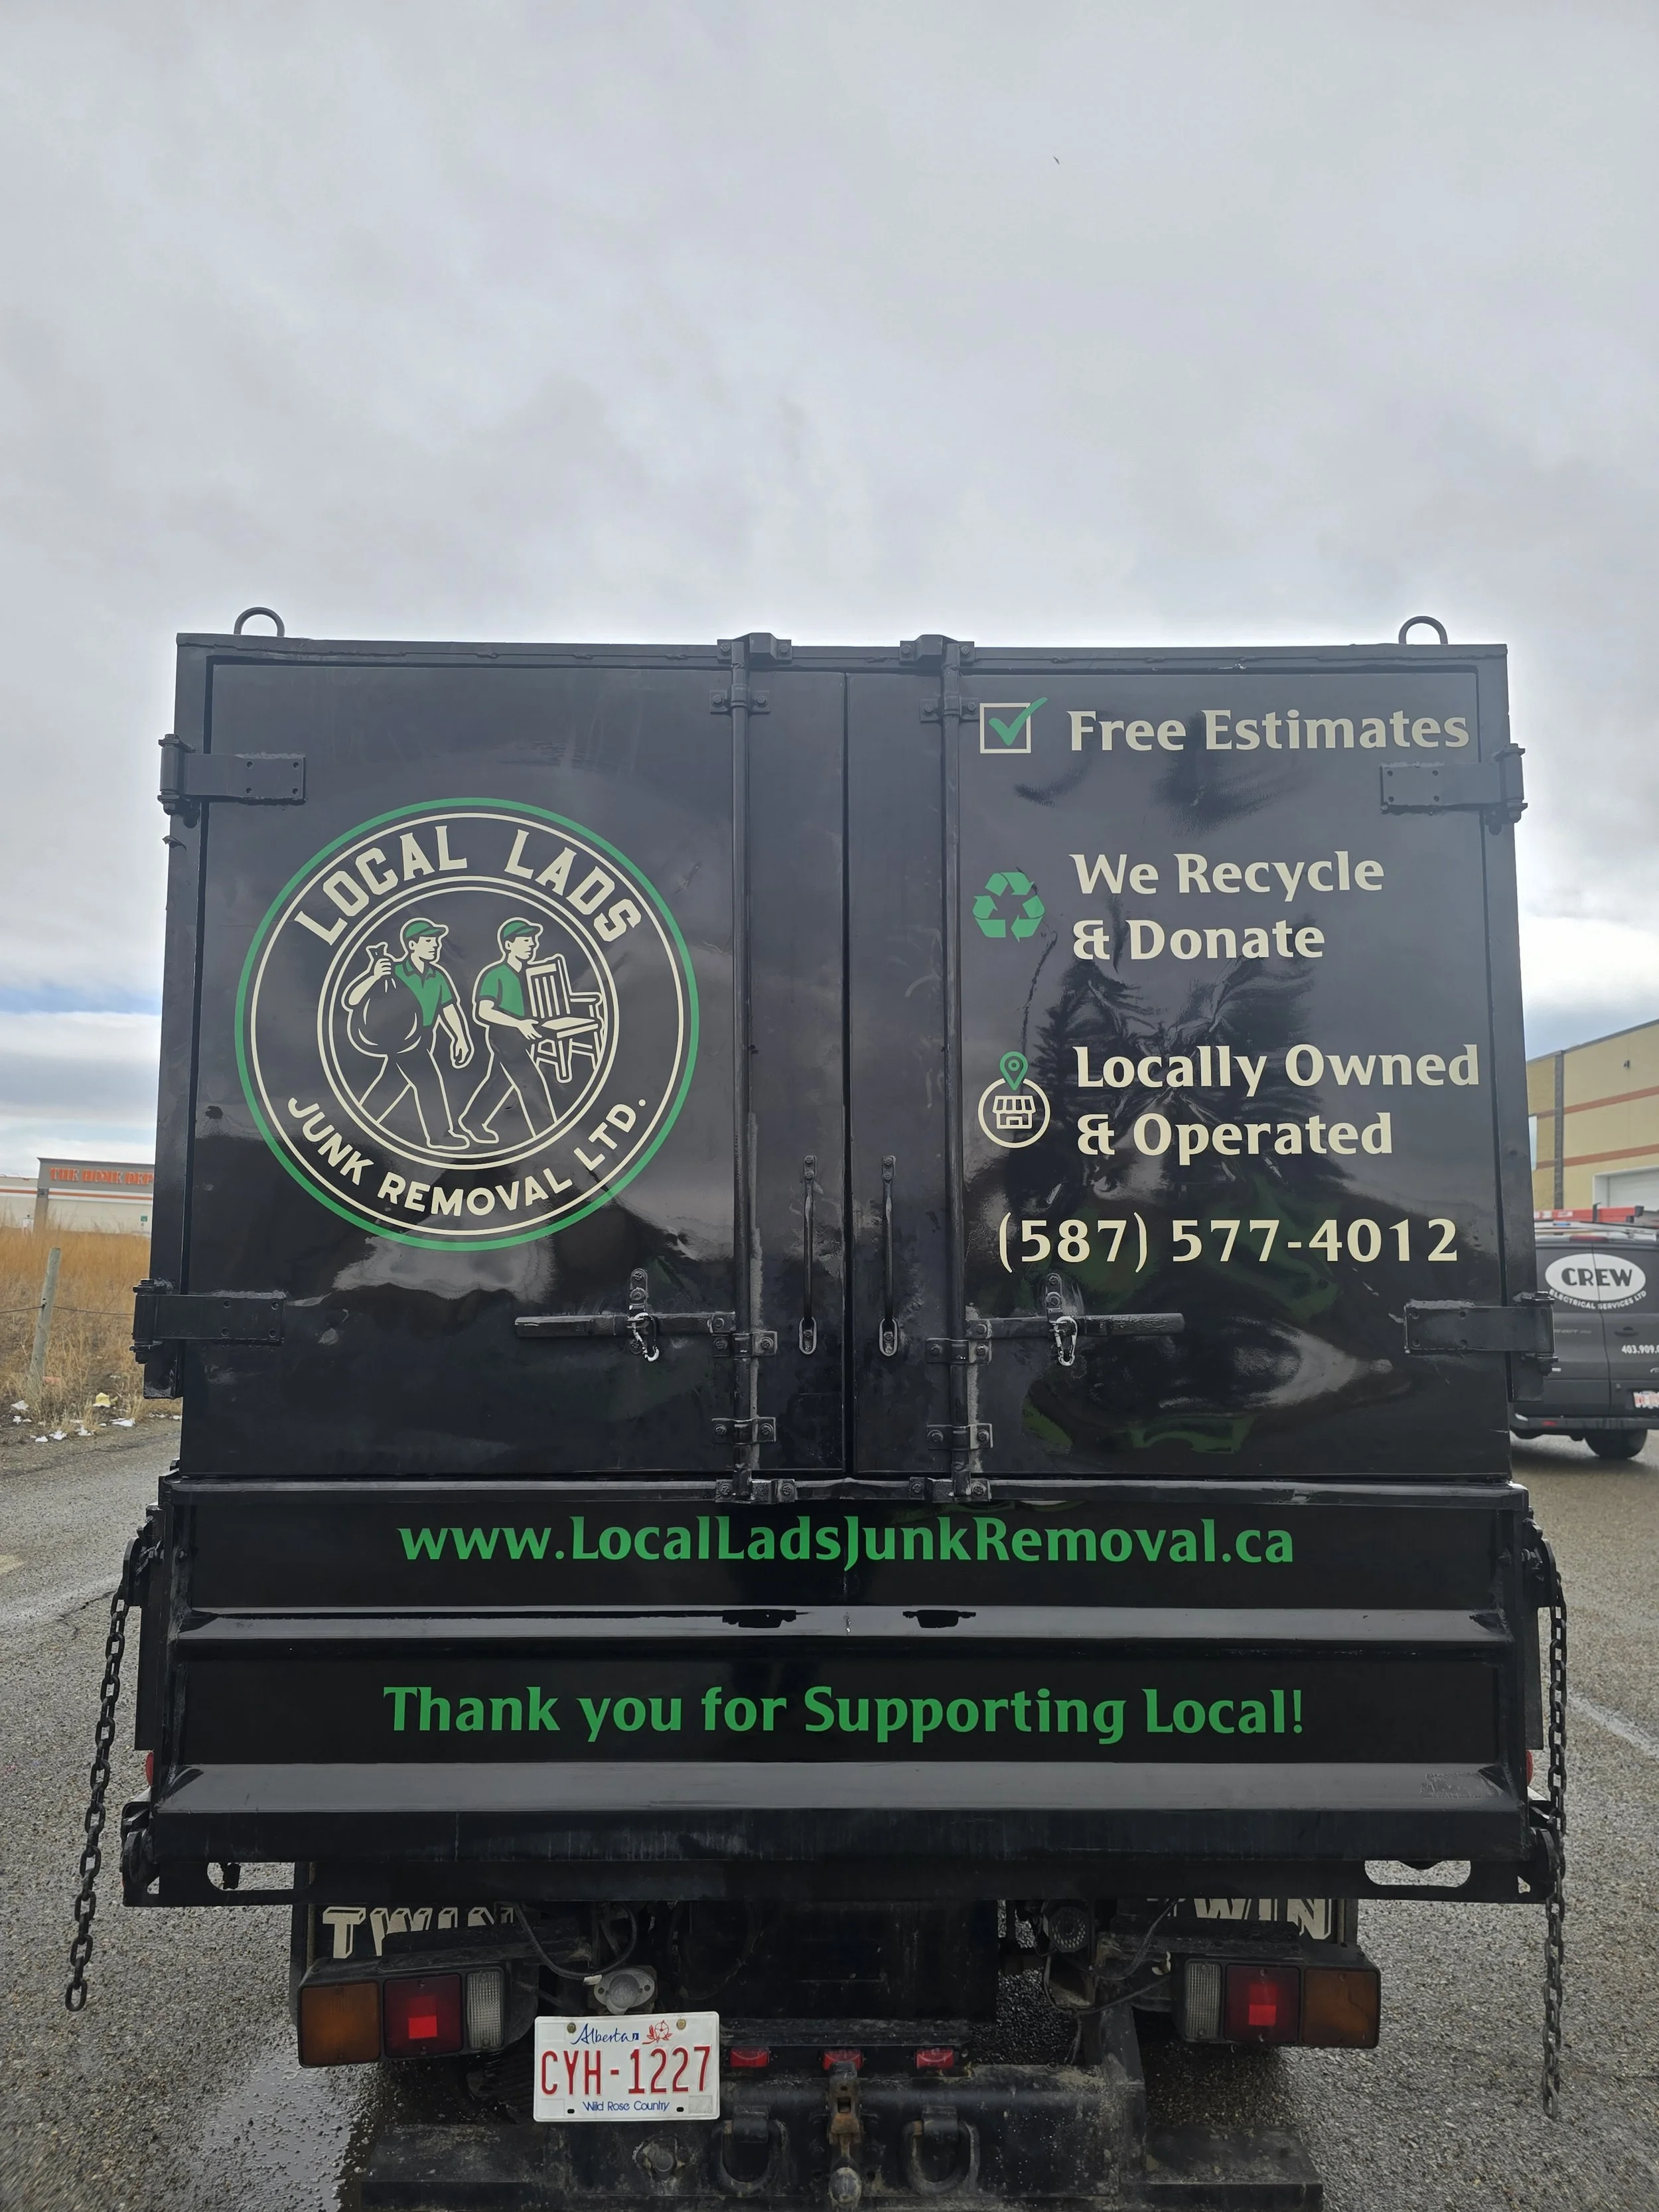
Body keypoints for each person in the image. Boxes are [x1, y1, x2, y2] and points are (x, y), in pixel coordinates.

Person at [345, 917, 473, 1149]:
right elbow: (352, 1001)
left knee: (389, 1086)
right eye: (429, 941)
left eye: (436, 941)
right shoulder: (392, 971)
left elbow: (448, 1008)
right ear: (412, 945)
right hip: (400, 1038)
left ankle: (356, 1128)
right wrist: (373, 977)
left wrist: (460, 1038)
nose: (435, 945)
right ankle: (439, 1135)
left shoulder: (438, 976)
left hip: (424, 1037)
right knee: (428, 1081)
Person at [460, 918, 560, 1143]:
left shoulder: (529, 973)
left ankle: (471, 1121)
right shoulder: (495, 974)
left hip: (525, 1033)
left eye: (533, 940)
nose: (532, 944)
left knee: (499, 1081)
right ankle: (548, 1133)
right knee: (530, 1079)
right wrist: (518, 1023)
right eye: (525, 940)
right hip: (505, 1035)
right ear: (508, 945)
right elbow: (483, 1011)